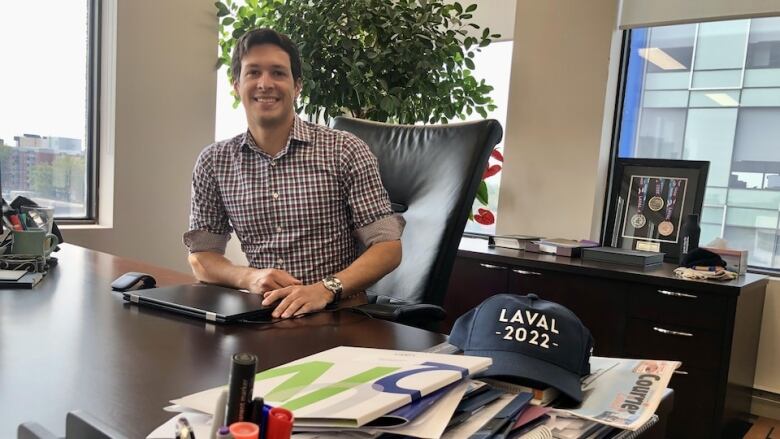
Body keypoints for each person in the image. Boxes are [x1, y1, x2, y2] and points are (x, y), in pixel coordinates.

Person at [183, 28, 404, 319]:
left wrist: (325, 289)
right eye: (253, 73)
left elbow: (388, 246)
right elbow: (201, 257)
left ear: (297, 86)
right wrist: (248, 278)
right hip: (265, 316)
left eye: (278, 73)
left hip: (339, 316)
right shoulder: (214, 162)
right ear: (236, 85)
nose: (265, 83)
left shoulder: (345, 149)